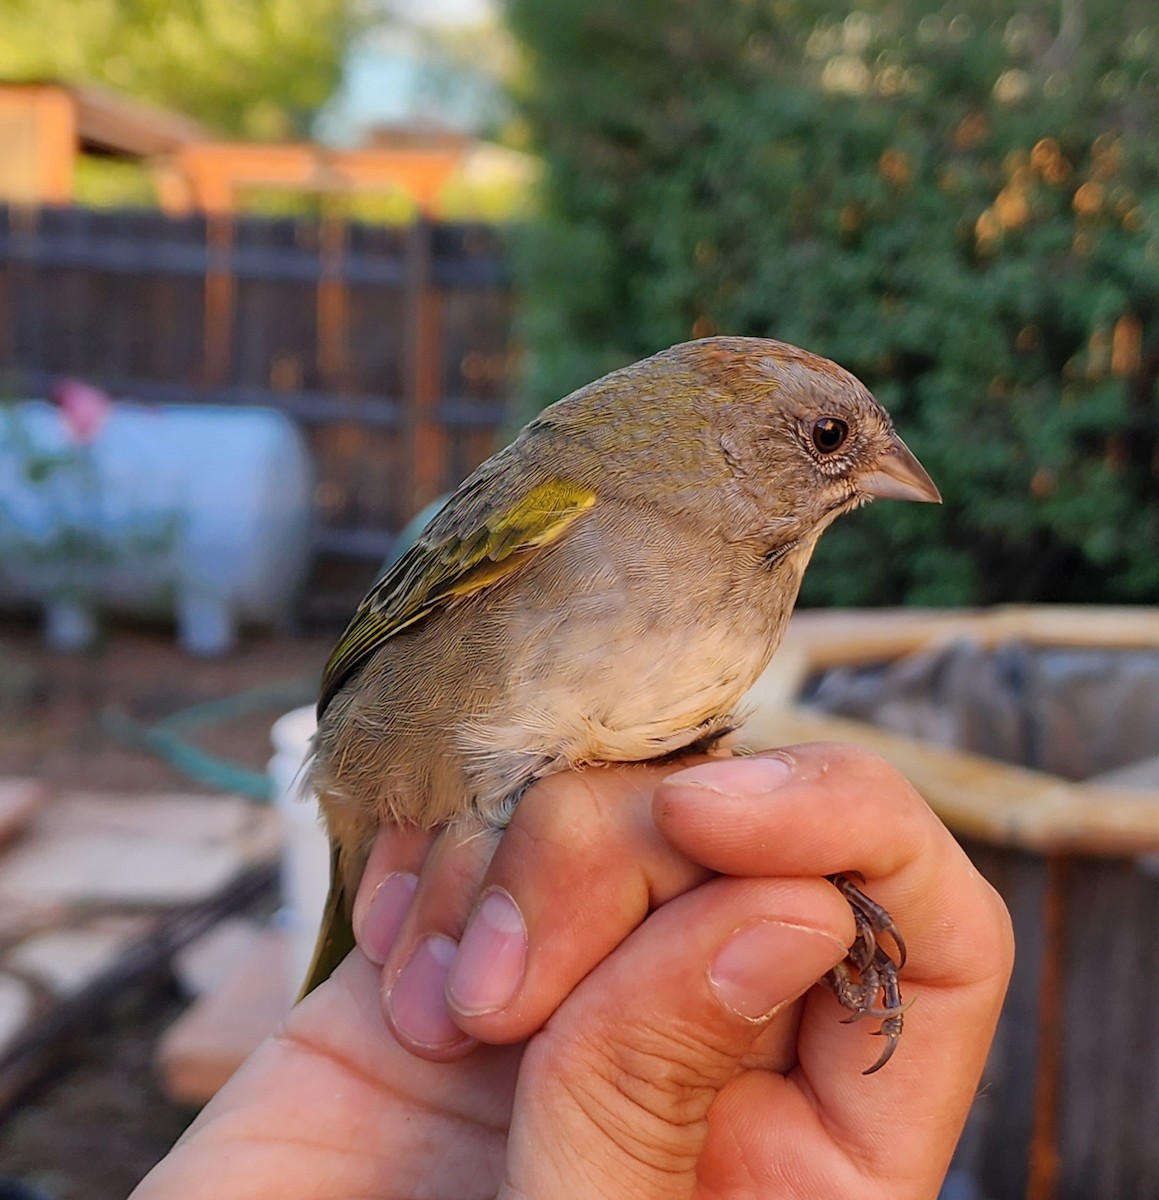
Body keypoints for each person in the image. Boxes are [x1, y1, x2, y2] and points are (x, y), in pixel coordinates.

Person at [132, 744, 1013, 1199]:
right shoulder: (591, 501)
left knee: (674, 826)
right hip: (433, 922)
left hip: (437, 1041)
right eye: (825, 437)